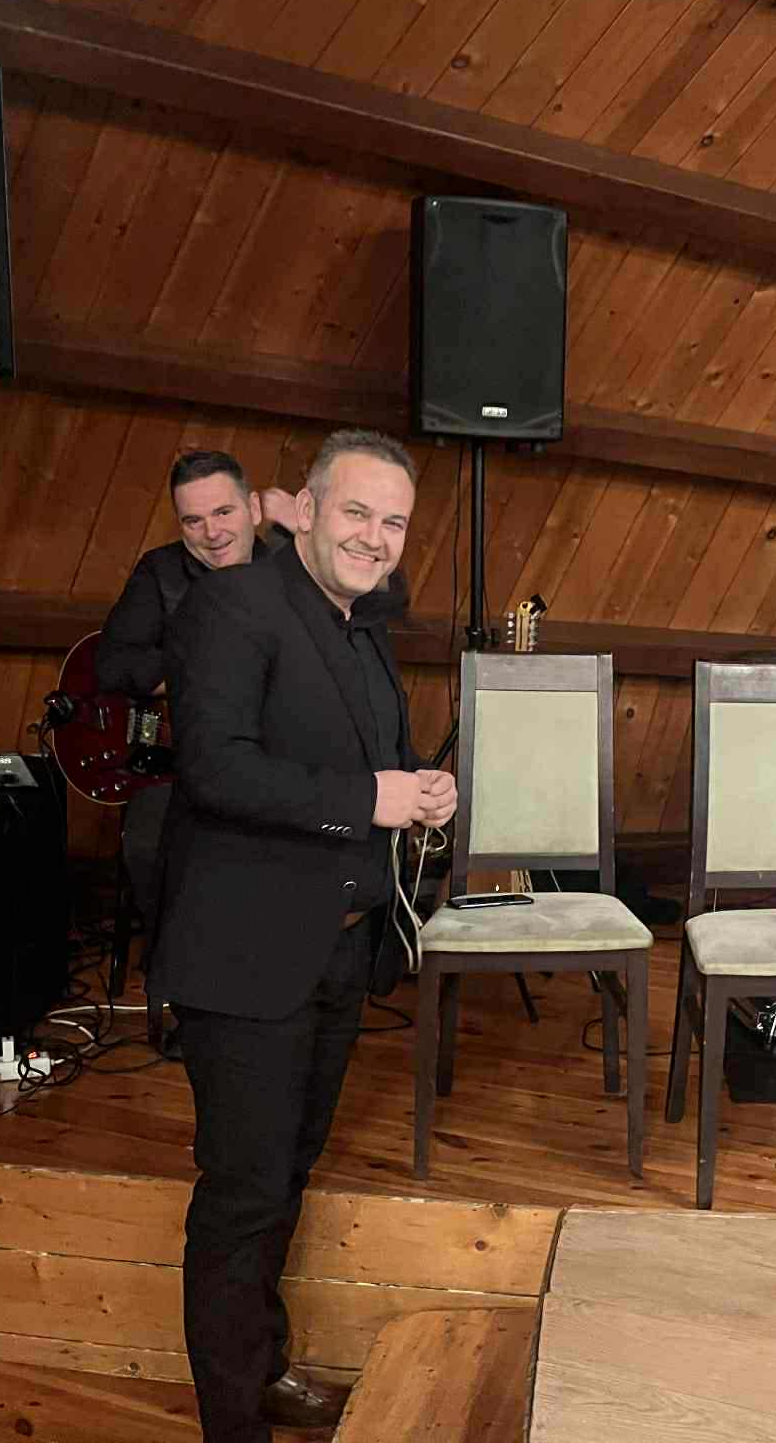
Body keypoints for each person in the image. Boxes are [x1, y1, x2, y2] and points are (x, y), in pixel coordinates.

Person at [154, 429, 458, 1440]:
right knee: (243, 1194)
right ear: (307, 509)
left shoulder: (361, 628)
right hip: (245, 957)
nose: (375, 537)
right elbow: (216, 768)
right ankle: (233, 1422)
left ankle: (262, 1367)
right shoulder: (233, 605)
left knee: (286, 1178)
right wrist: (369, 798)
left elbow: (371, 763)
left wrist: (419, 791)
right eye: (358, 512)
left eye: (394, 522)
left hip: (336, 950)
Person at [97, 451, 276, 973]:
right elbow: (113, 664)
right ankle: (186, 979)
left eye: (224, 512)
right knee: (151, 845)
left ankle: (260, 971)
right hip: (178, 767)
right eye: (193, 520)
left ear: (254, 508)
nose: (212, 533)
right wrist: (199, 672)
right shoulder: (160, 573)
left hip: (271, 763)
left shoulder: (293, 577)